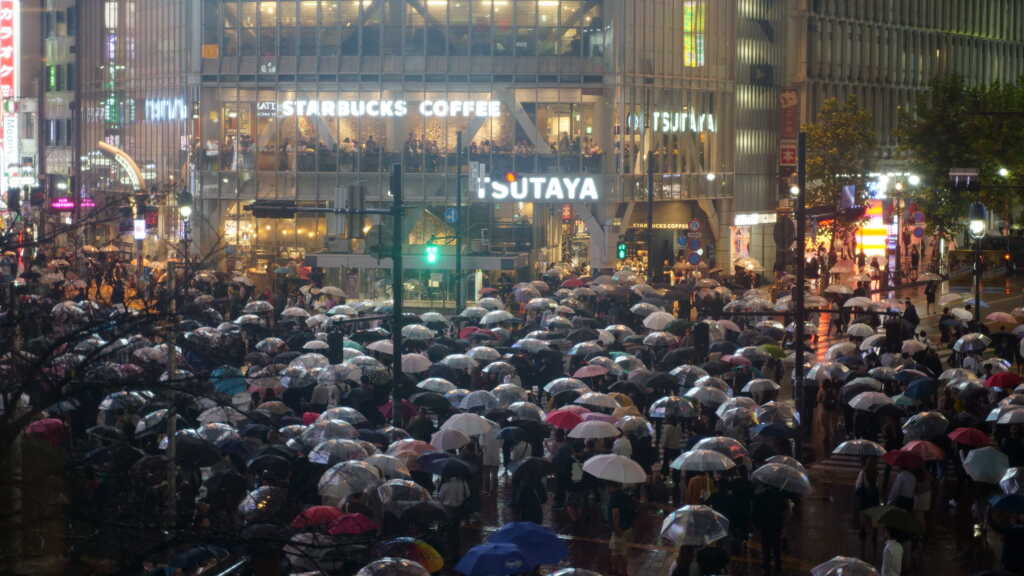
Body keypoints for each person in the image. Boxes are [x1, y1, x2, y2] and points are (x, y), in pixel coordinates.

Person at [607, 481, 635, 576]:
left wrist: (617, 529)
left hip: (619, 529)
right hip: (627, 527)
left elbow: (615, 514)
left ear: (611, 486)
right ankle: (621, 571)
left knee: (616, 552)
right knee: (622, 551)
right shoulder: (626, 496)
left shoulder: (614, 497)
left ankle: (618, 571)